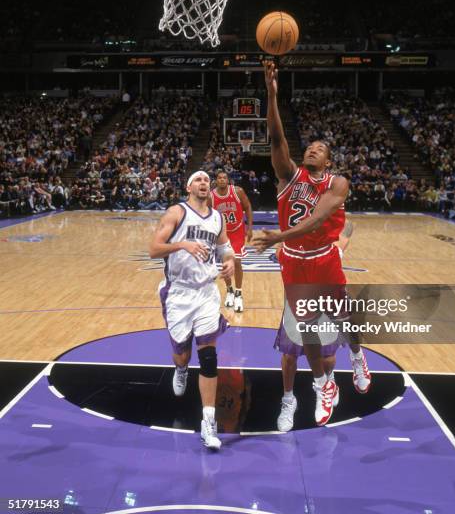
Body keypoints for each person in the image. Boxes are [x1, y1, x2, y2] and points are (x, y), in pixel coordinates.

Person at [253, 61, 371, 428]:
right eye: (311, 146)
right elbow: (276, 138)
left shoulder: (338, 183)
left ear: (329, 159)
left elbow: (319, 219)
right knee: (306, 334)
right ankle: (323, 386)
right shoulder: (288, 175)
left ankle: (357, 355)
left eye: (320, 148)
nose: (313, 149)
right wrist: (271, 94)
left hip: (323, 258)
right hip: (294, 262)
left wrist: (278, 236)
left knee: (342, 316)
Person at [149, 170, 235, 450]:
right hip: (179, 293)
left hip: (206, 292)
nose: (203, 184)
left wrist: (231, 261)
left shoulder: (217, 218)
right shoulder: (177, 212)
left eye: (206, 181)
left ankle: (208, 422)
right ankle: (181, 368)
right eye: (198, 180)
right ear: (188, 186)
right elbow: (153, 249)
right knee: (182, 352)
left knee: (209, 355)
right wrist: (183, 244)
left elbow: (226, 249)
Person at [276, 219, 354, 432]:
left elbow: (348, 227)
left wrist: (329, 214)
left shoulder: (332, 250)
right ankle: (289, 400)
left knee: (327, 358)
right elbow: (279, 247)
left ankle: (328, 382)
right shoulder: (288, 251)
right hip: (296, 308)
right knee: (289, 357)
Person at [211, 170, 253, 313]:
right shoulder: (211, 196)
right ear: (216, 180)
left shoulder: (237, 191)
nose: (222, 180)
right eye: (219, 178)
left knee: (237, 261)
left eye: (224, 177)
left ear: (228, 180)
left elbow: (247, 207)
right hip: (222, 233)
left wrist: (250, 227)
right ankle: (229, 290)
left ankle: (239, 294)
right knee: (225, 263)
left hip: (237, 231)